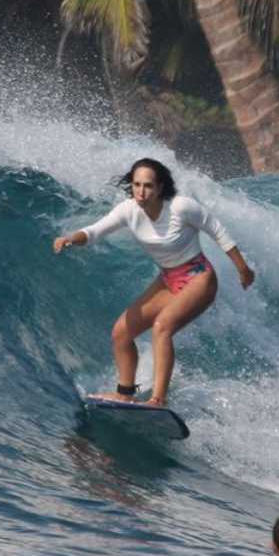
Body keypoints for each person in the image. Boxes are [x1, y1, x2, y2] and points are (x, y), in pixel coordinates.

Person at [51, 158, 254, 406]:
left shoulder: (181, 207)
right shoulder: (129, 210)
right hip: (168, 280)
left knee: (162, 327)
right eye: (136, 184)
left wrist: (243, 268)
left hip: (199, 277)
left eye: (148, 185)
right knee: (121, 333)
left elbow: (218, 230)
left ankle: (158, 399)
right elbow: (95, 231)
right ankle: (125, 392)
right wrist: (70, 238)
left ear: (160, 187)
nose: (141, 191)